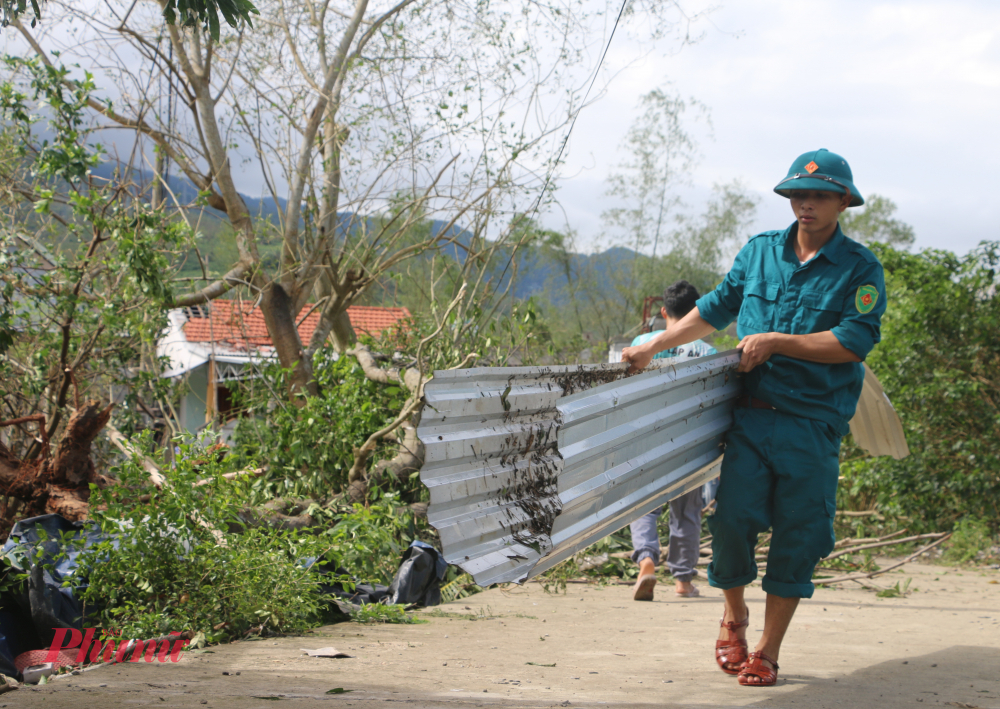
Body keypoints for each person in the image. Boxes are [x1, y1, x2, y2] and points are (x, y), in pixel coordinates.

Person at [621, 149, 886, 687]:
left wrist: (779, 341)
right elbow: (715, 308)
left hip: (812, 425)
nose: (805, 204)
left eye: (817, 195)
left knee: (799, 535)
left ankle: (767, 649)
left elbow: (854, 342)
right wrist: (656, 345)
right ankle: (733, 615)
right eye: (797, 195)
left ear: (842, 201)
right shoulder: (761, 253)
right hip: (752, 417)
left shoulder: (860, 269)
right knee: (733, 521)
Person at [628, 280, 717, 602]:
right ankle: (682, 580)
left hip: (647, 438)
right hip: (689, 442)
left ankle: (647, 561)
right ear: (697, 312)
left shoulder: (641, 343)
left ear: (663, 311)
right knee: (687, 511)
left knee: (642, 506)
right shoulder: (709, 353)